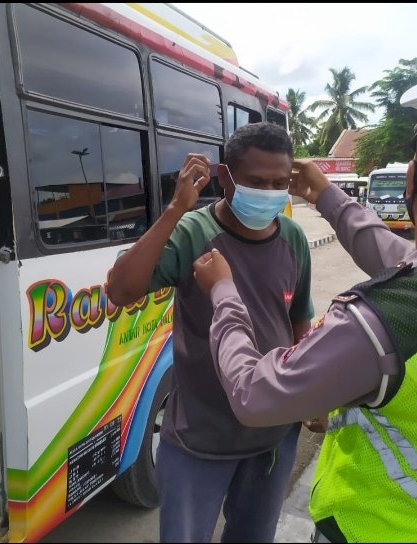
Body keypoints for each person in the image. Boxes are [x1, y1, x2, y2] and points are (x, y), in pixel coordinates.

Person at [192, 75, 417, 543]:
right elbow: (403, 259)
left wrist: (224, 294)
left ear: (412, 179)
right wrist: (326, 195)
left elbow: (254, 394)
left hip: (371, 529)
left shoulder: (379, 322)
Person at [107, 122, 315, 543]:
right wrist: (174, 209)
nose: (270, 192)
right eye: (257, 182)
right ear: (225, 178)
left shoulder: (292, 237)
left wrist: (310, 394)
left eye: (279, 182)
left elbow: (298, 321)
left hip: (273, 439)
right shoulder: (193, 233)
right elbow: (120, 289)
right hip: (199, 439)